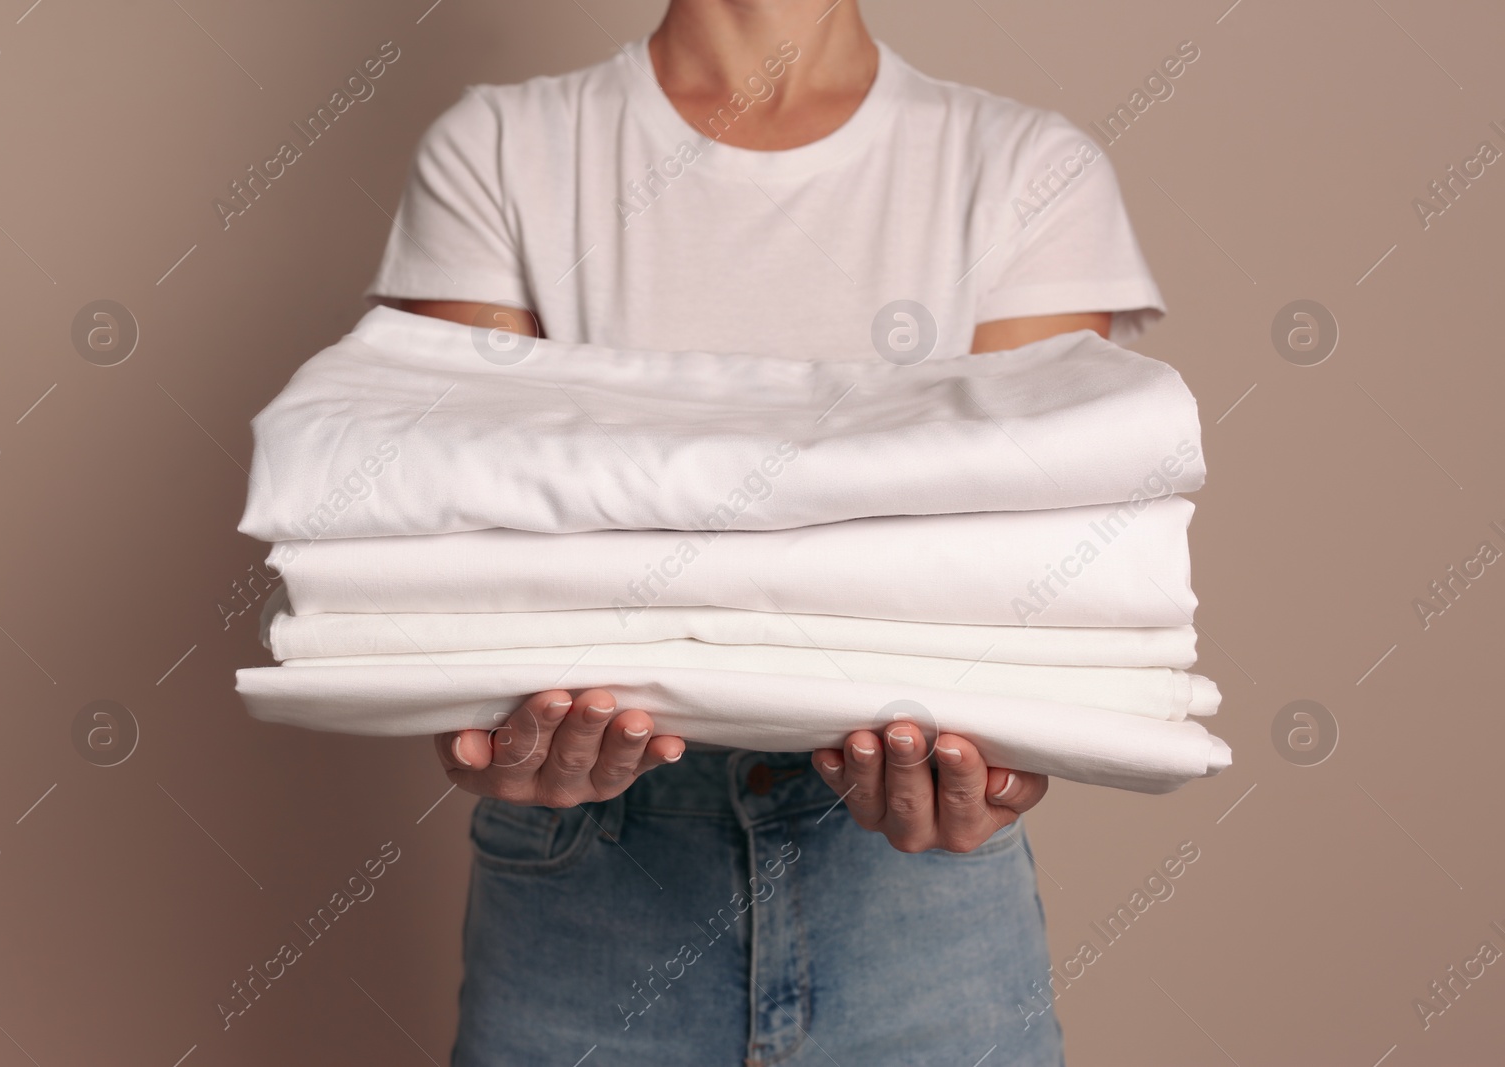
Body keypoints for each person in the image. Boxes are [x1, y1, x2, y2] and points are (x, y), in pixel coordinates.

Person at [364, 2, 1165, 1062]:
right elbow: (463, 558)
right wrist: (485, 723)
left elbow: (1021, 576)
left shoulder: (1023, 166)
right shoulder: (503, 149)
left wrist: (1002, 763)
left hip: (919, 907)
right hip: (586, 891)